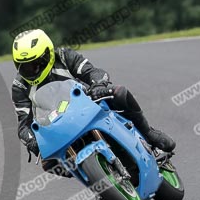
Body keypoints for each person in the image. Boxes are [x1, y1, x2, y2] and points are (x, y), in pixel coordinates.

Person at [11, 29, 175, 176]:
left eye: (35, 64)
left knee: (120, 93)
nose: (31, 71)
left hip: (86, 104)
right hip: (57, 124)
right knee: (49, 163)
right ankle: (93, 177)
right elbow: (23, 124)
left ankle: (149, 133)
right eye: (23, 66)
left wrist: (97, 85)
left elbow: (93, 72)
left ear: (48, 54)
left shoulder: (64, 56)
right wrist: (32, 141)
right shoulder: (19, 87)